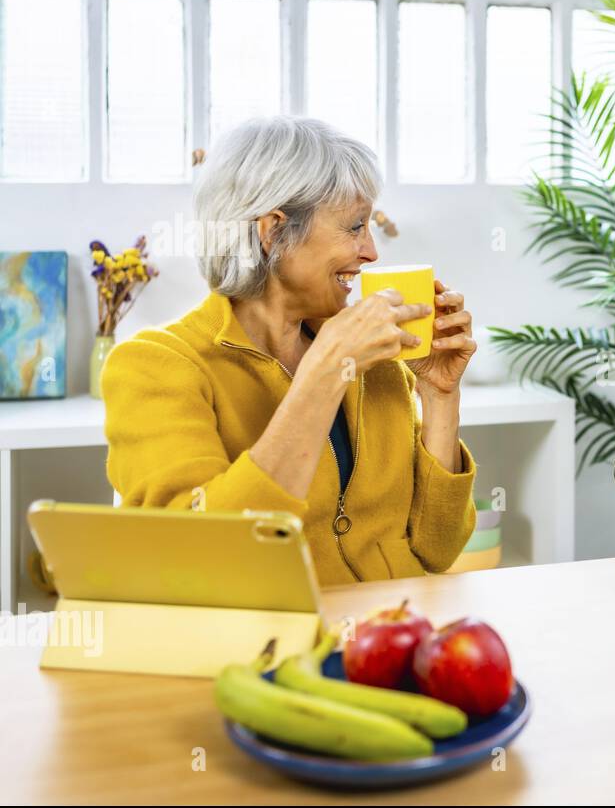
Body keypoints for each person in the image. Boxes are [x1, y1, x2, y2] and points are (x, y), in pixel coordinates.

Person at [102, 116, 476, 584]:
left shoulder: (375, 360)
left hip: (392, 634)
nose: (371, 252)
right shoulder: (155, 367)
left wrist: (439, 395)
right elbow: (200, 558)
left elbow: (437, 549)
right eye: (355, 227)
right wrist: (325, 372)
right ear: (274, 231)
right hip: (269, 645)